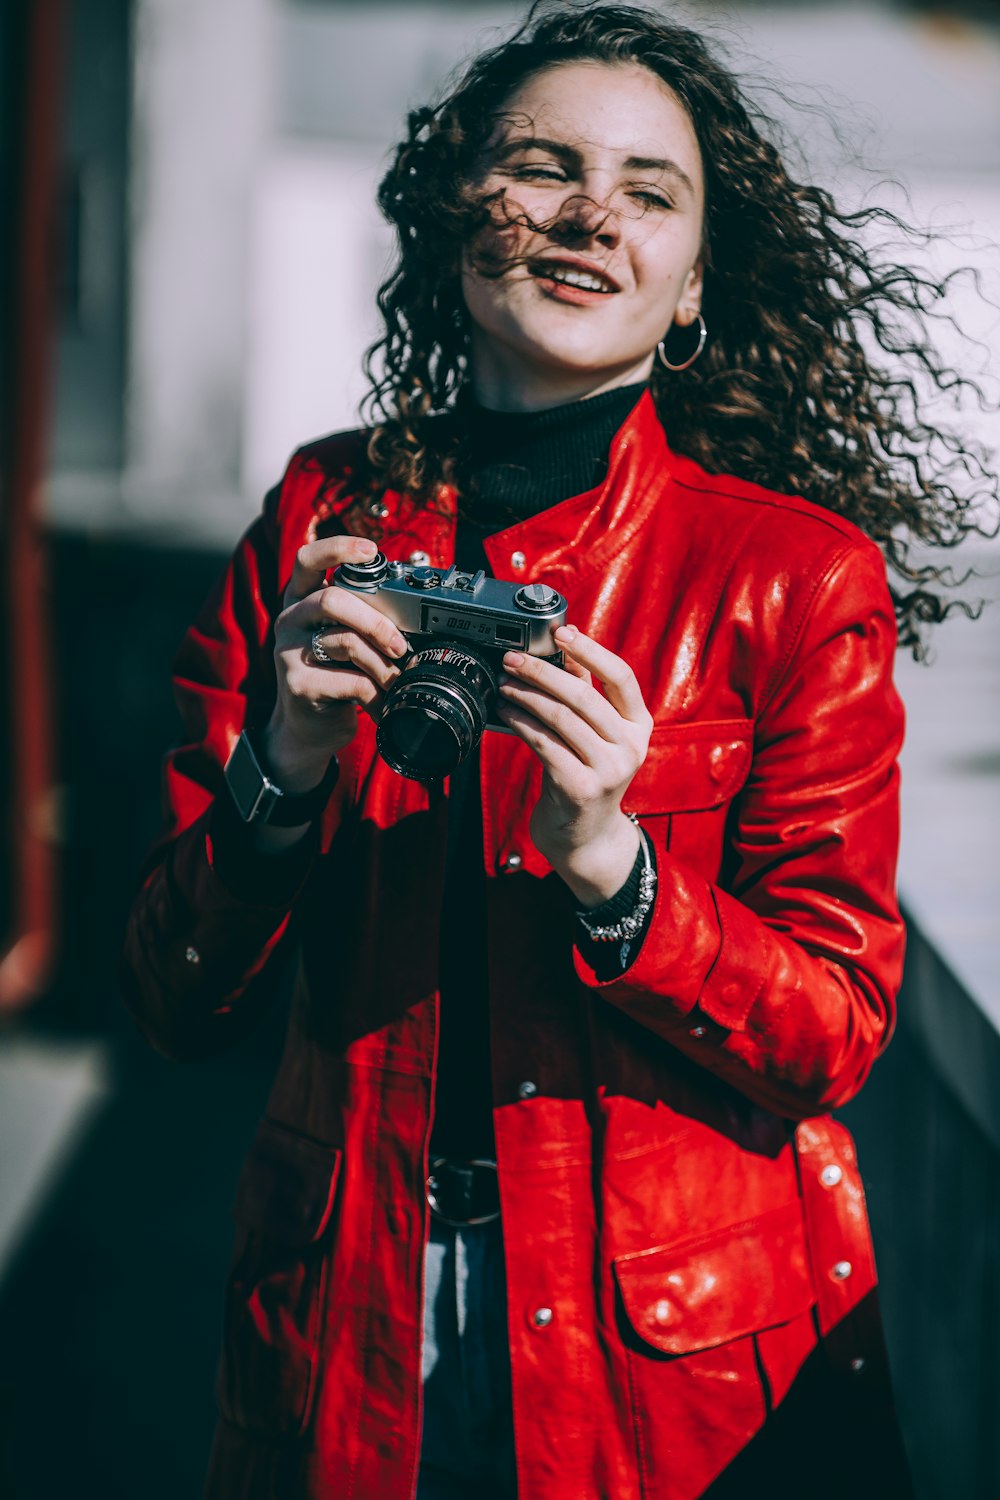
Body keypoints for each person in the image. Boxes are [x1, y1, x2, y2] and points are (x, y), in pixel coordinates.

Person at [121, 4, 992, 1497]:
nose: (594, 214)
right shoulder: (321, 519)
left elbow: (838, 1028)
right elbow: (173, 1000)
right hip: (343, 1316)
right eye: (543, 167)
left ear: (695, 279)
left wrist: (617, 873)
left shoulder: (792, 578)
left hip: (665, 1357)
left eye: (652, 193)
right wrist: (280, 775)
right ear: (457, 212)